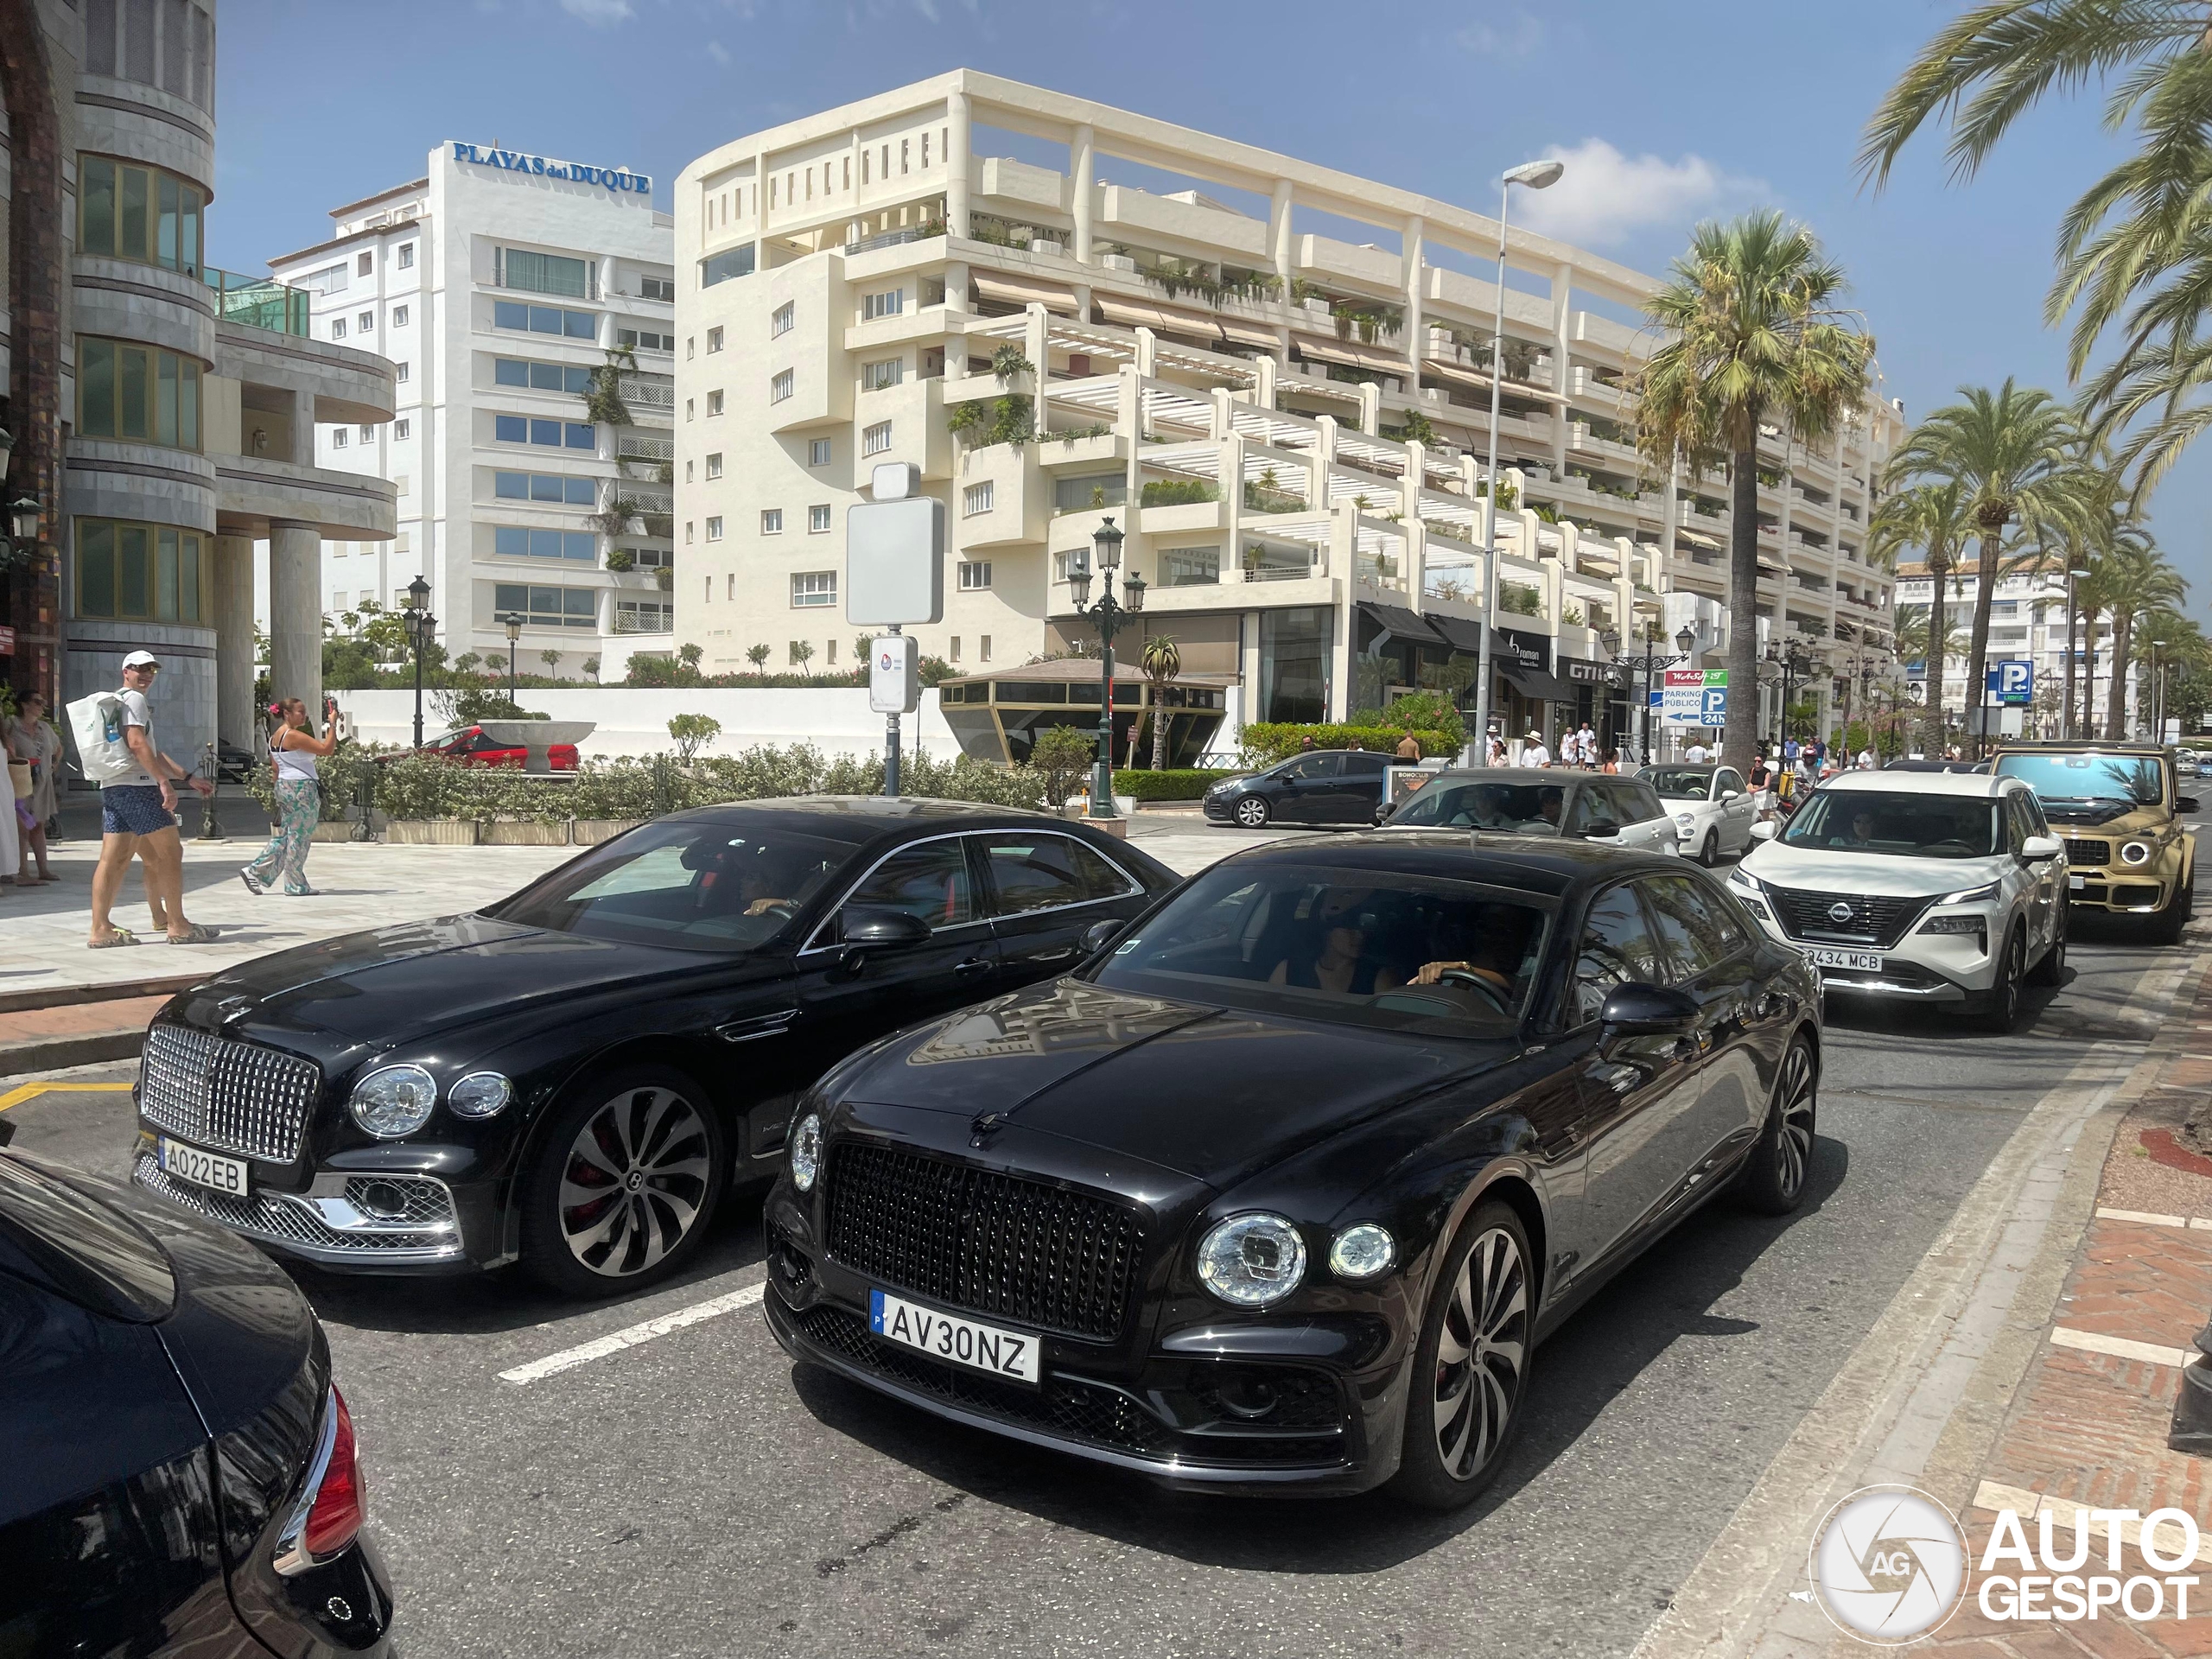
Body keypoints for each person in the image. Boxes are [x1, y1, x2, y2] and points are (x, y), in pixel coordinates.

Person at [89, 651, 216, 947]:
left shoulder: (116, 701)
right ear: (126, 671)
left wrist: (186, 778)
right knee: (170, 854)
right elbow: (136, 743)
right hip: (139, 788)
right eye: (139, 669)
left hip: (114, 786)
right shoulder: (134, 700)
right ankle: (177, 924)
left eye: (151, 670)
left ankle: (100, 928)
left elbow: (151, 750)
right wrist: (162, 782)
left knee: (114, 859)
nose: (146, 675)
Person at [240, 698, 338, 897]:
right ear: (287, 714)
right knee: (299, 837)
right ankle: (294, 884)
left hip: (285, 786)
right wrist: (333, 724)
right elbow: (327, 749)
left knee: (287, 835)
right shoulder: (293, 735)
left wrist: (280, 791)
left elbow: (275, 768)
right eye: (300, 712)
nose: (304, 715)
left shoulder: (274, 737)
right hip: (301, 787)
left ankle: (256, 871)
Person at [5, 690, 60, 881]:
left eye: (42, 702)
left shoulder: (44, 728)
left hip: (42, 782)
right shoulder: (11, 725)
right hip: (19, 782)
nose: (41, 706)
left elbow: (58, 748)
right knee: (22, 827)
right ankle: (23, 872)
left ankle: (43, 869)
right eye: (37, 702)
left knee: (39, 825)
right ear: (24, 704)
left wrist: (53, 765)